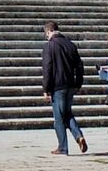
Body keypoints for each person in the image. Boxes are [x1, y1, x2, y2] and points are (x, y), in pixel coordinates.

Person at [40, 21, 86, 155]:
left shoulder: (49, 46)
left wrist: (45, 89)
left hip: (58, 86)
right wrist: (78, 83)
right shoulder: (70, 45)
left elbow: (47, 69)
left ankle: (63, 147)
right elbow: (79, 65)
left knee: (59, 118)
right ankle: (79, 136)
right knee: (67, 113)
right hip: (70, 85)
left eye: (46, 34)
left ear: (48, 32)